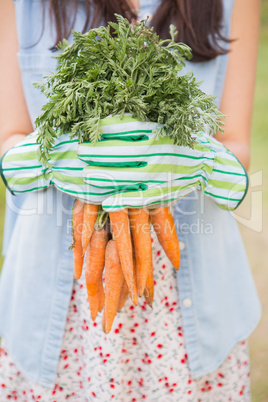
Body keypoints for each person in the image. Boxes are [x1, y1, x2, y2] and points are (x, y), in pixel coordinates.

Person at [0, 0, 261, 400]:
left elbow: (237, 145)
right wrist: (57, 157)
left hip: (193, 303)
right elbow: (9, 140)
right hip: (53, 303)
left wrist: (196, 159)